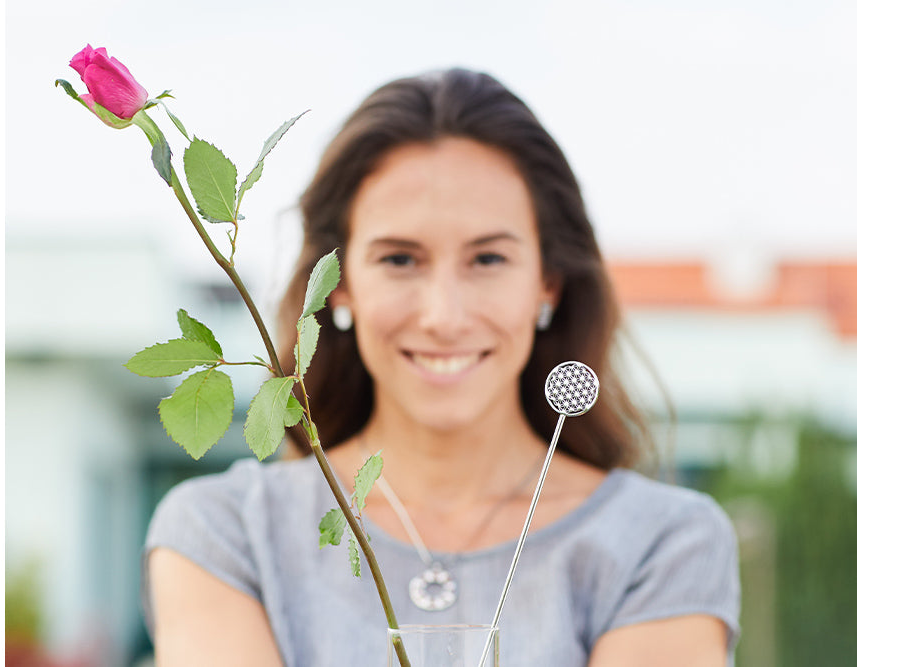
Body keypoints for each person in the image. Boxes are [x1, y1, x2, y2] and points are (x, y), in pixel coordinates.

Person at [142, 68, 740, 666]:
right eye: (400, 259)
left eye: (488, 258)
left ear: (548, 284)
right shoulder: (225, 534)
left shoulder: (662, 543)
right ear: (339, 286)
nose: (444, 316)